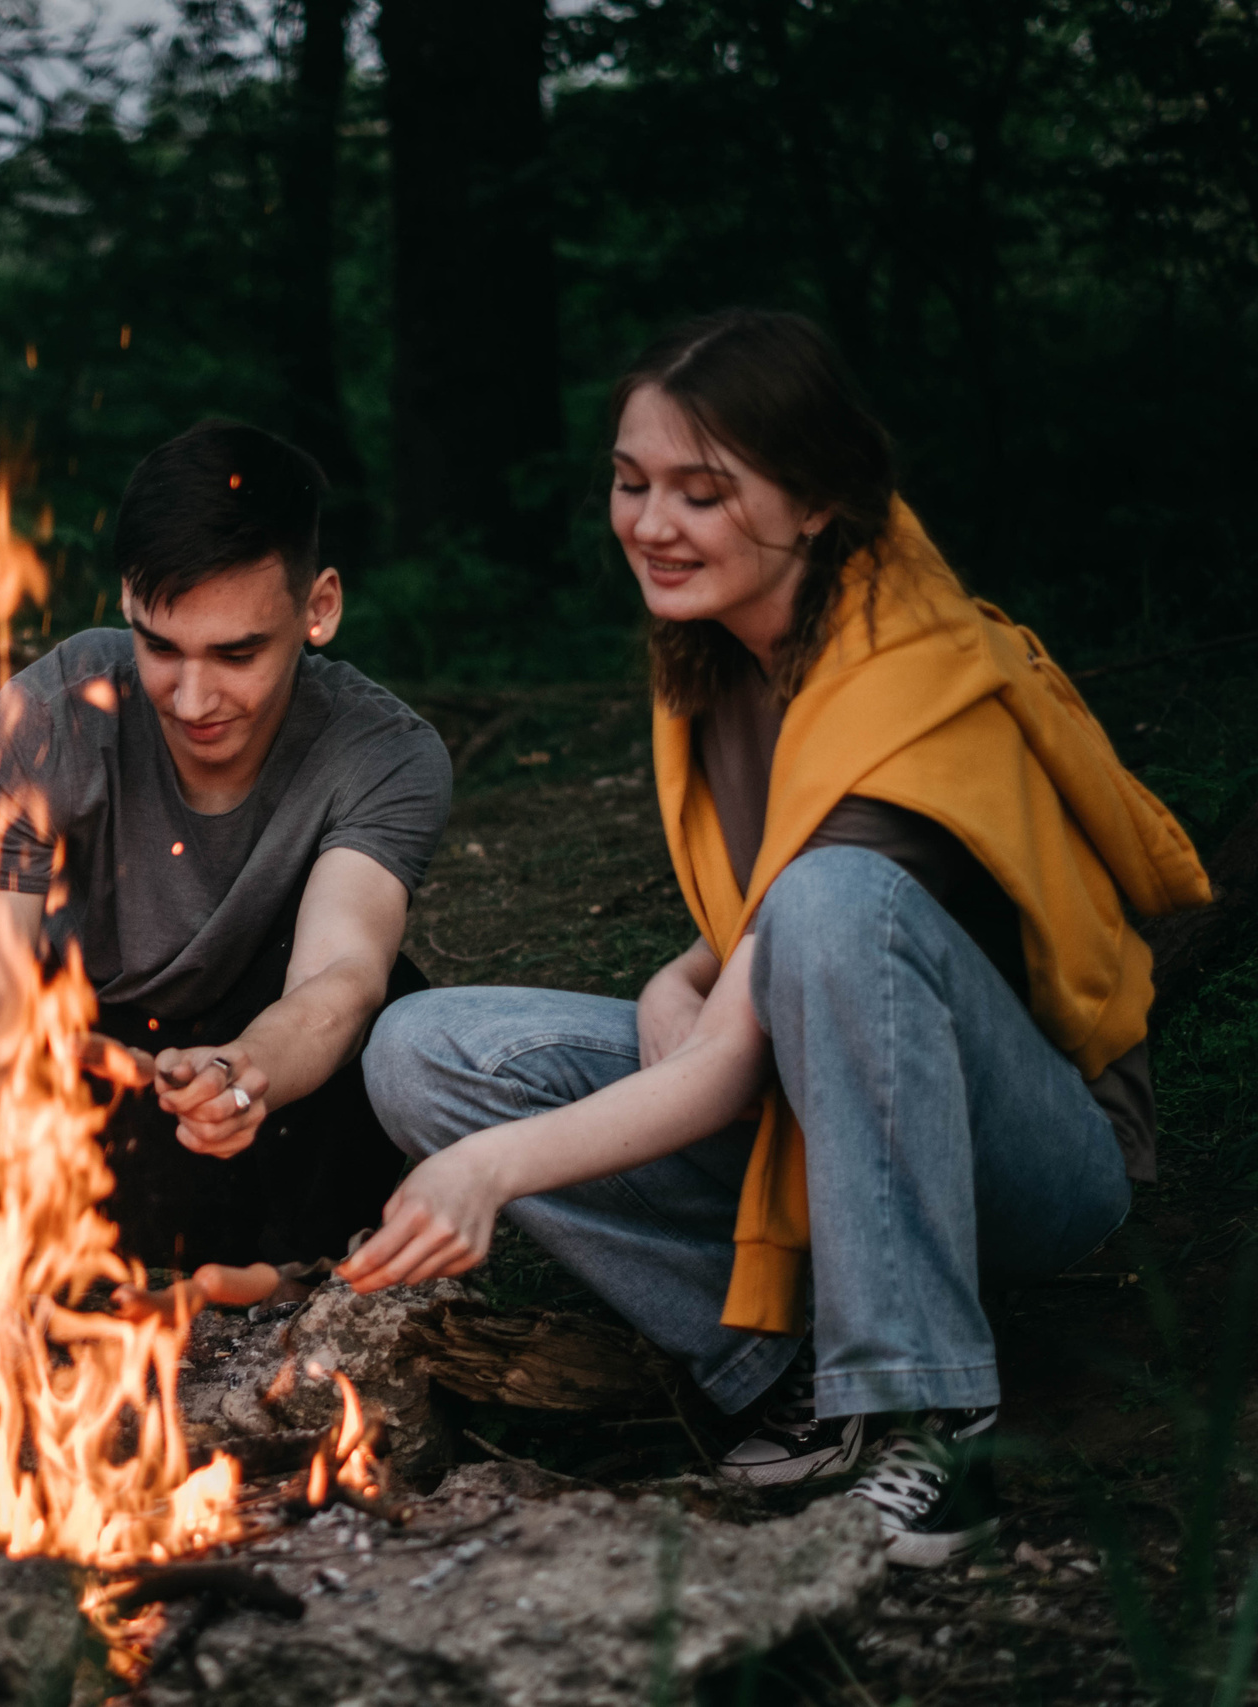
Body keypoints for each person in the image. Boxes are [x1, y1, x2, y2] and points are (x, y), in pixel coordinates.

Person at [352, 310, 1211, 1566]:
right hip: (826, 1089)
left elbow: (786, 972)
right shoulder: (721, 653)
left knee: (833, 903)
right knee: (422, 1049)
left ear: (813, 503)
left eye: (701, 493)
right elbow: (755, 928)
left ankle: (930, 1416)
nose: (652, 524)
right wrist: (675, 975)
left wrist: (487, 1171)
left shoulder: (904, 683)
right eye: (631, 483)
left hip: (1029, 1156)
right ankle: (783, 1367)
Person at [0, 422, 452, 1275]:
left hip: (239, 1096)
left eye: (237, 653)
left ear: (319, 608)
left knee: (394, 1010)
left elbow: (338, 979)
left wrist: (242, 1073)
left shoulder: (384, 753)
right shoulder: (48, 716)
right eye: (161, 646)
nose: (192, 698)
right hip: (66, 1079)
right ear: (127, 598)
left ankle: (275, 1275)